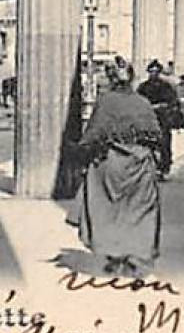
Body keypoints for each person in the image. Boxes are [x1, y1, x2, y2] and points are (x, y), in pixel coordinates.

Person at [70, 60, 164, 276]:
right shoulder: (143, 102)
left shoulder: (105, 102)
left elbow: (94, 134)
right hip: (140, 163)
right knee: (140, 210)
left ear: (112, 79)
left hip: (111, 163)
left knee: (108, 209)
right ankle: (135, 254)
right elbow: (156, 134)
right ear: (131, 79)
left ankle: (114, 254)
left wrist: (82, 152)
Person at [136, 61, 179, 177]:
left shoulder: (166, 86)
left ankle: (165, 167)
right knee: (145, 142)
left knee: (164, 142)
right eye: (151, 71)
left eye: (156, 71)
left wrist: (162, 107)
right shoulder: (143, 87)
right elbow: (137, 101)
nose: (153, 74)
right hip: (147, 118)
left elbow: (172, 101)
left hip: (162, 119)